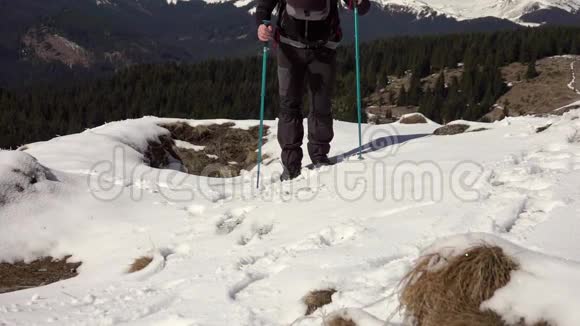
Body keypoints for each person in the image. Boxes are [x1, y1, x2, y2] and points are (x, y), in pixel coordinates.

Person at [256, 0, 370, 181]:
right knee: (313, 106)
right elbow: (264, 7)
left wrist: (262, 24)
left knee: (296, 106)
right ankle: (312, 160)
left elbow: (362, 7)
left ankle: (297, 165)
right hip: (315, 49)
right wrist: (261, 23)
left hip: (297, 48)